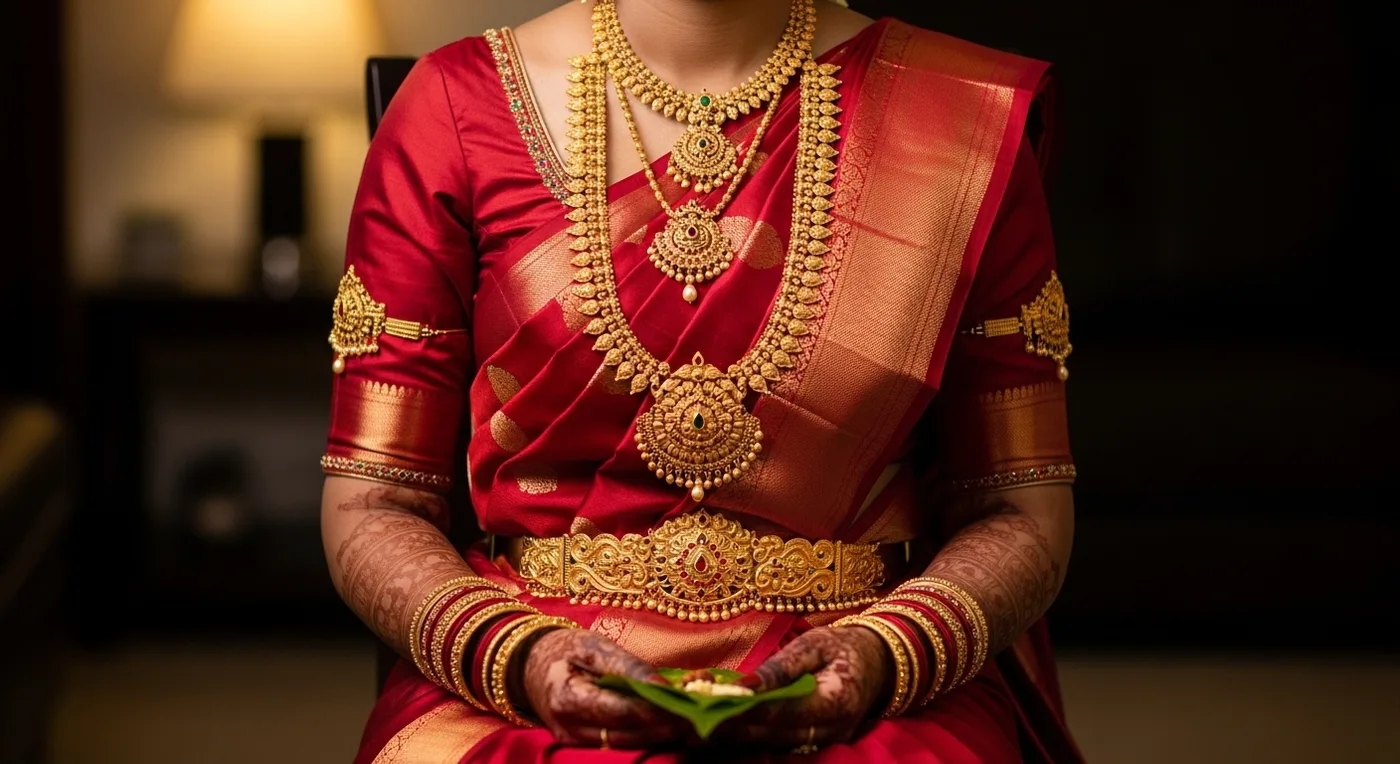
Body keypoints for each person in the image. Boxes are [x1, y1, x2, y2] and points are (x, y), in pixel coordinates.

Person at [320, 0, 1080, 760]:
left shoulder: (954, 117)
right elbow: (374, 501)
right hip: (523, 683)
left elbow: (1020, 509)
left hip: (865, 678)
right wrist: (518, 657)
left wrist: (887, 654)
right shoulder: (454, 106)